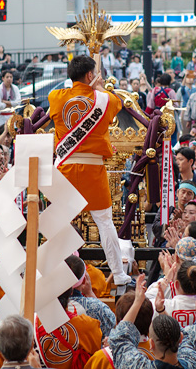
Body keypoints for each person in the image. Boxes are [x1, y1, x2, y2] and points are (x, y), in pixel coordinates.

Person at [48, 55, 131, 287]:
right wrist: (99, 86)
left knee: (59, 222)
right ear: (90, 75)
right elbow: (117, 103)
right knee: (104, 222)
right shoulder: (104, 99)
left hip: (65, 167)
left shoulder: (56, 97)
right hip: (93, 169)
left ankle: (55, 271)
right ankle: (119, 273)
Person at [109, 276, 196, 369]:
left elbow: (119, 338)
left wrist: (138, 302)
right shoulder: (193, 363)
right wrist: (161, 310)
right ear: (180, 338)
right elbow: (185, 338)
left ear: (151, 344)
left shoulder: (140, 366)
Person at [0, 70, 21, 136]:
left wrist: (6, 102)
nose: (9, 79)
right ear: (3, 78)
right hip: (1, 118)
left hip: (12, 117)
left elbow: (18, 103)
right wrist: (11, 104)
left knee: (13, 137)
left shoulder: (15, 88)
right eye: (7, 77)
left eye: (11, 77)